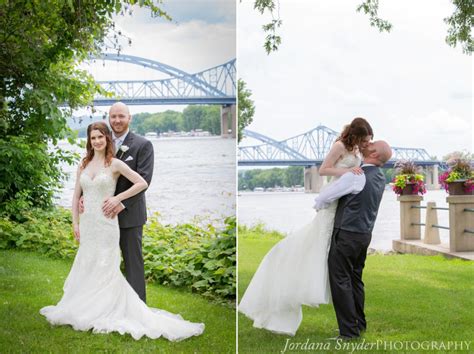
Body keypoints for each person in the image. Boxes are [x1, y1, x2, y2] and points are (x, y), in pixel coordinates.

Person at [40, 122, 204, 341]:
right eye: (93, 137)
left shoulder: (114, 164)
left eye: (100, 137)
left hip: (107, 224)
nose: (96, 141)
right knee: (87, 263)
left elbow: (142, 182)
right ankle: (84, 307)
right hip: (88, 224)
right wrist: (75, 223)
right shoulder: (83, 164)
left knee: (106, 266)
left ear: (107, 139)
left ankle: (107, 310)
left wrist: (118, 198)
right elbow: (75, 196)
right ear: (89, 140)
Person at [238, 117, 373, 336]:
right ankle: (287, 282)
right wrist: (346, 172)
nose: (367, 143)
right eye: (365, 139)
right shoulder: (339, 146)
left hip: (343, 206)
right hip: (331, 206)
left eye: (369, 140)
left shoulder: (356, 151)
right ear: (355, 135)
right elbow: (323, 170)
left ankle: (350, 320)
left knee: (326, 257)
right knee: (311, 248)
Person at [81, 102, 152, 303]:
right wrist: (83, 197)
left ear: (130, 118)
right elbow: (90, 173)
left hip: (129, 214)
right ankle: (104, 304)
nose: (117, 120)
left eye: (121, 116)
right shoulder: (101, 140)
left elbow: (145, 180)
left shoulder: (142, 145)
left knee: (132, 264)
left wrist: (122, 203)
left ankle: (137, 307)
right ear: (109, 118)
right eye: (113, 117)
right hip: (101, 218)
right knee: (102, 262)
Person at [320, 140, 392, 340]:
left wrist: (319, 203)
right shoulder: (379, 177)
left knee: (340, 279)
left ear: (375, 154)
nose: (366, 144)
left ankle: (348, 332)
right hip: (364, 235)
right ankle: (358, 325)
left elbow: (326, 197)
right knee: (355, 279)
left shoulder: (355, 176)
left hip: (346, 233)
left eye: (371, 145)